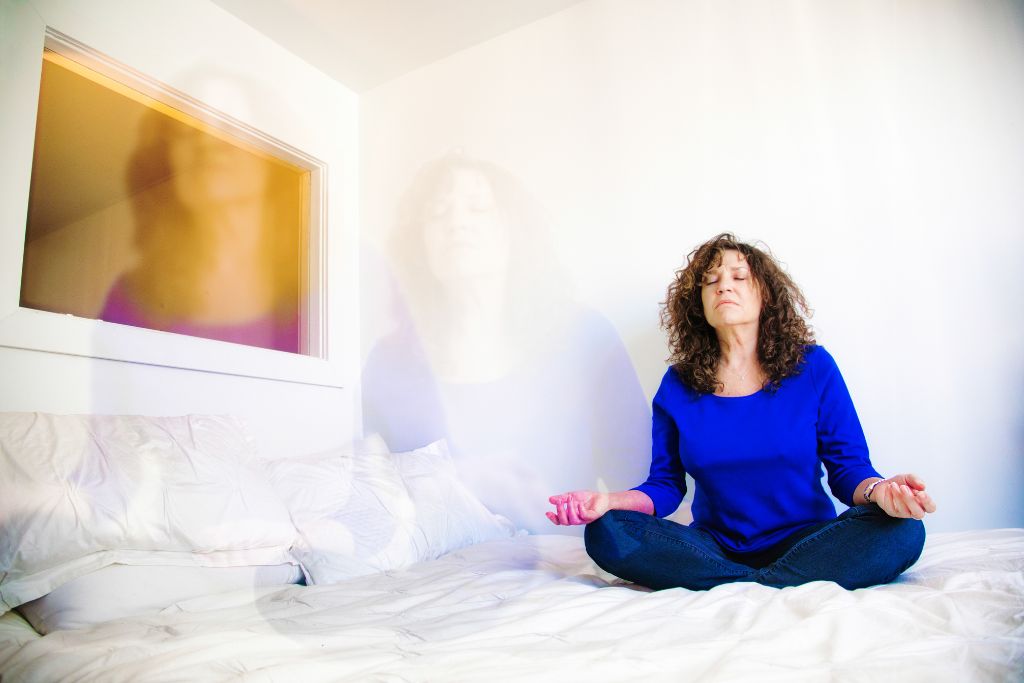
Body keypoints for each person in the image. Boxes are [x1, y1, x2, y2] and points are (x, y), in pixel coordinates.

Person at [546, 233, 936, 590]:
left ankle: (742, 584)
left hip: (810, 542)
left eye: (738, 276)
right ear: (699, 304)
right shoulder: (677, 384)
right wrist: (610, 502)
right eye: (711, 281)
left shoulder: (813, 367)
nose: (724, 286)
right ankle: (770, 582)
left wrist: (882, 491)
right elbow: (665, 488)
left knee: (903, 531)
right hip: (713, 549)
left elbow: (849, 469)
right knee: (606, 531)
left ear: (765, 293)